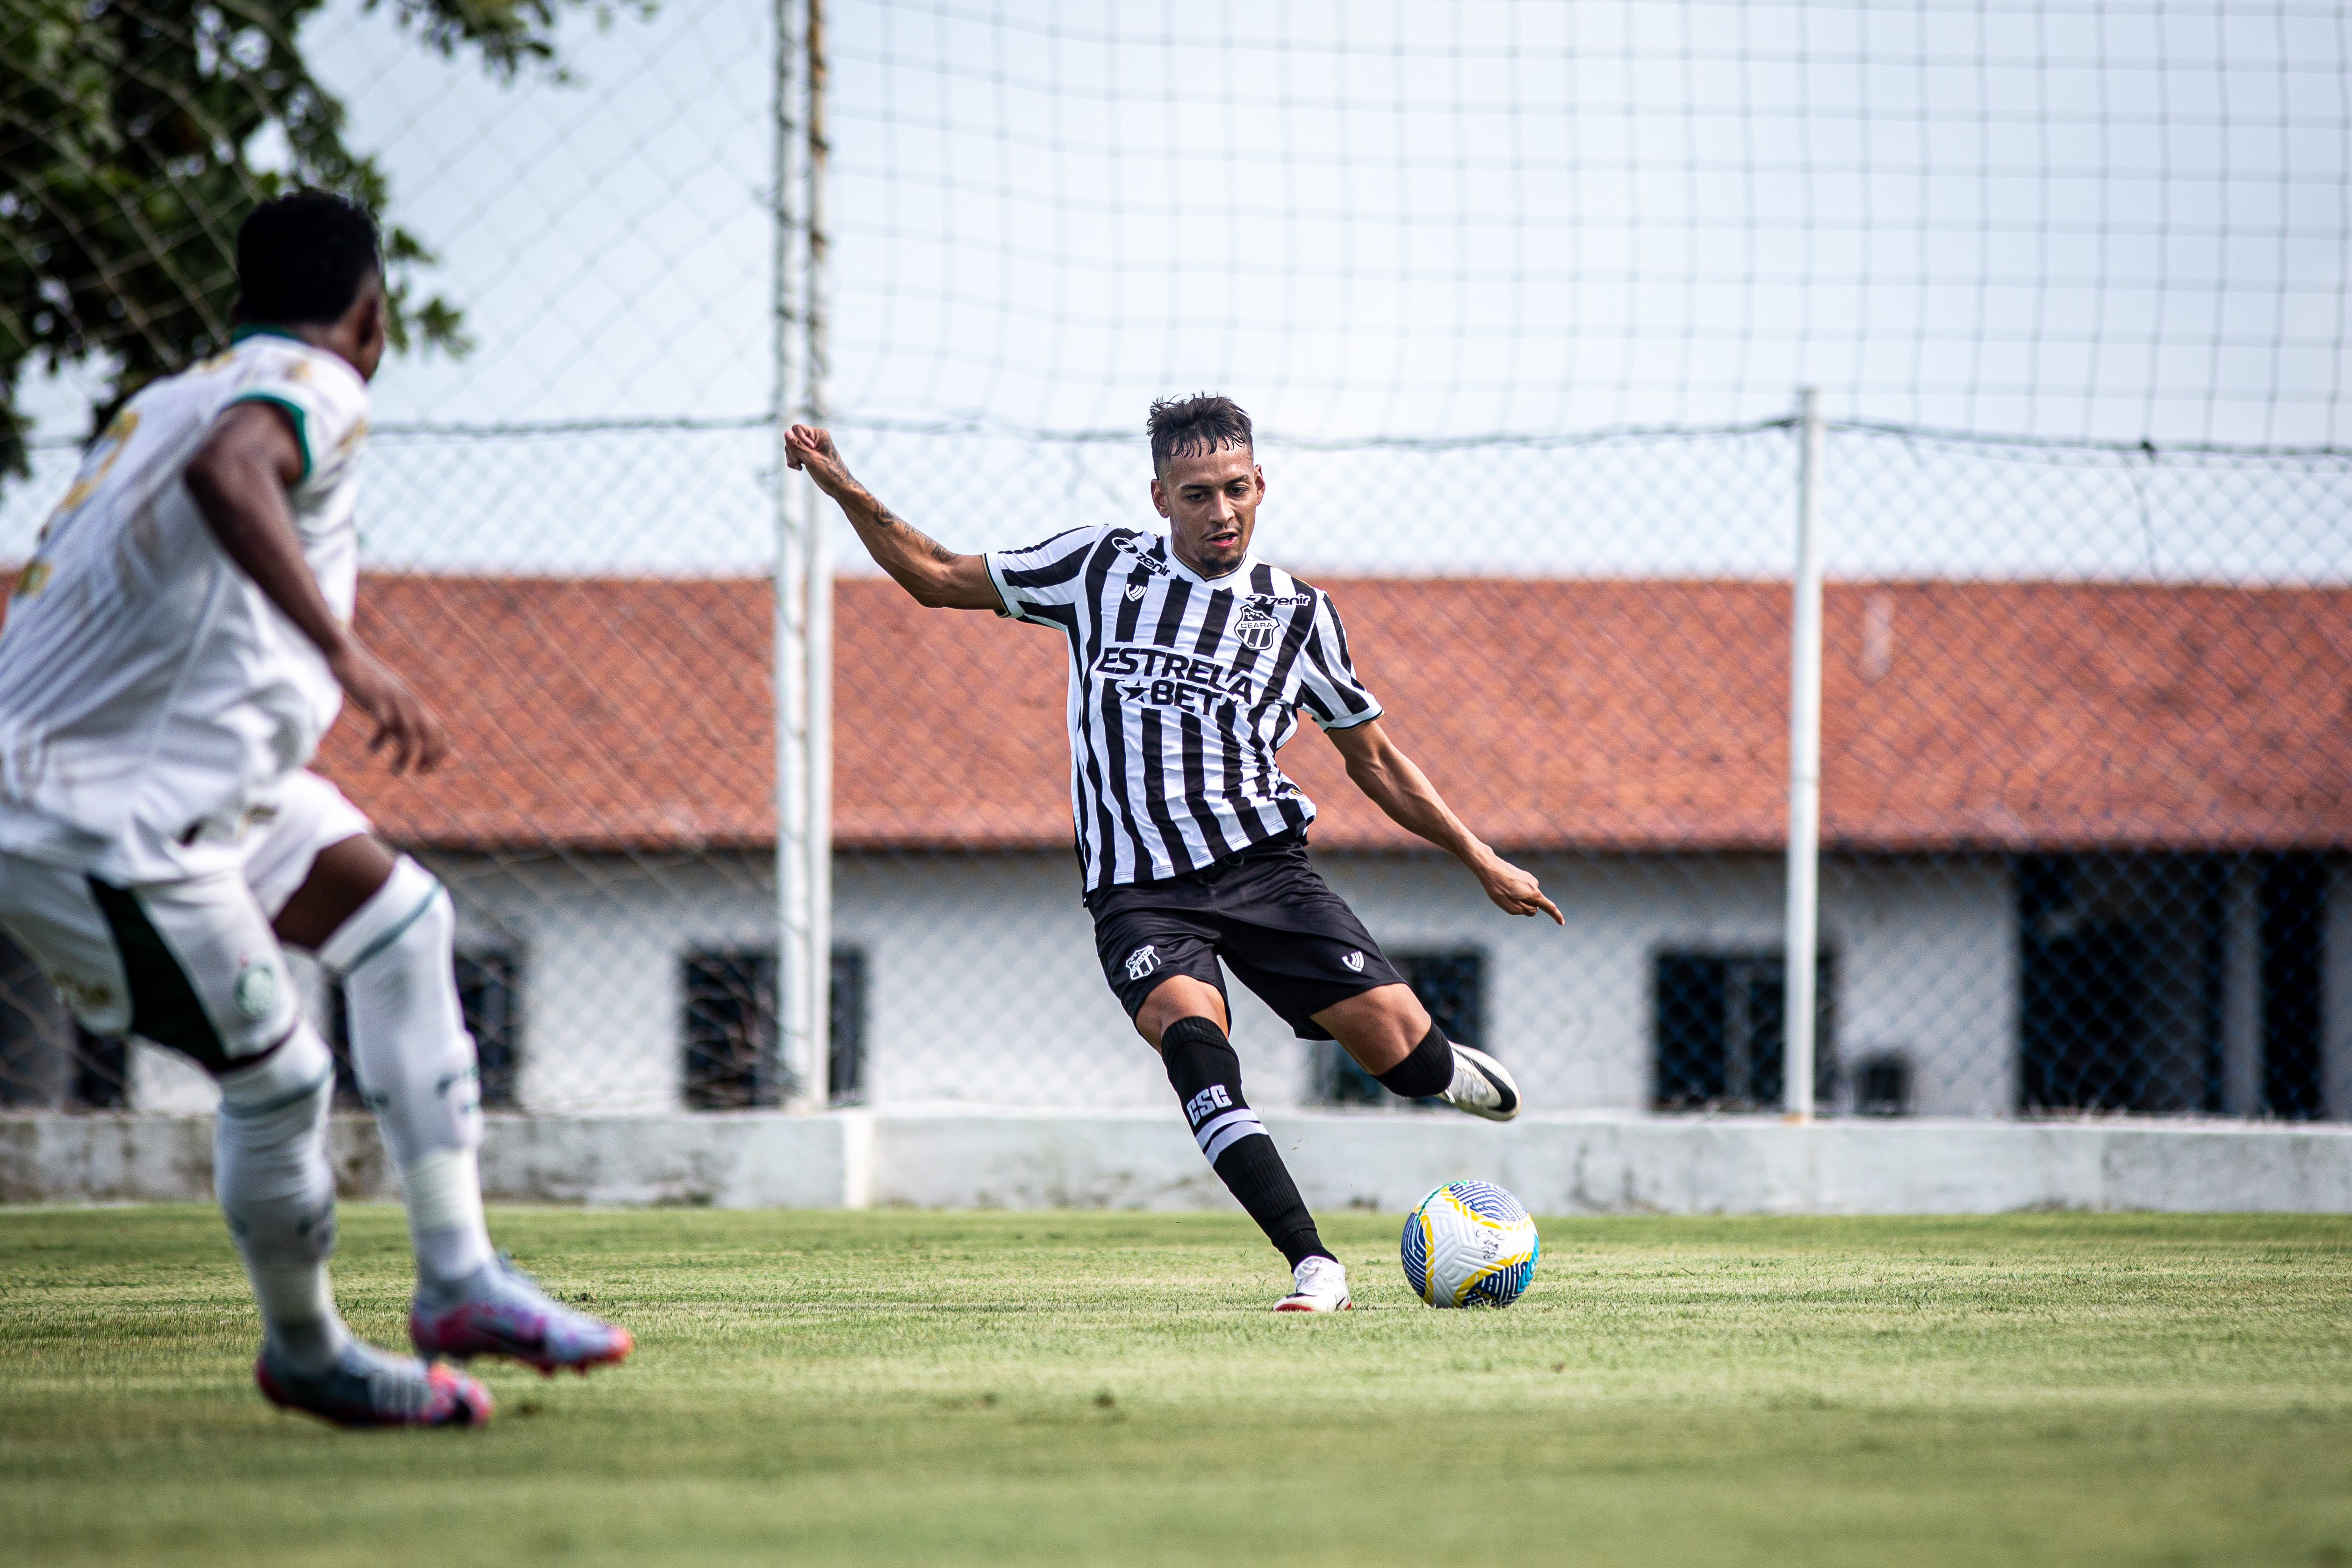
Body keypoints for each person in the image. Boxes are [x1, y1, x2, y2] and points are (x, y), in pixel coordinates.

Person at [0, 191, 631, 1426]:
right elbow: (234, 471)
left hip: (180, 782)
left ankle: (459, 1279)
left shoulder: (167, 396)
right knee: (280, 1077)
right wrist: (348, 656)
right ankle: (307, 1352)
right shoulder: (316, 384)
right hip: (96, 822)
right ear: (371, 317)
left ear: (240, 304)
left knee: (400, 920)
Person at [784, 394, 1564, 1312]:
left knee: (1401, 1058)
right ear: (1160, 497)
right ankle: (1313, 1264)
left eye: (1235, 489)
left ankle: (1444, 1068)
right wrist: (841, 484)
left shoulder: (1297, 615)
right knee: (1192, 1038)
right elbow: (934, 575)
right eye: (1196, 494)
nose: (1220, 511)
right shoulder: (1098, 568)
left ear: (1260, 484)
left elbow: (1376, 760)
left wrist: (1480, 857)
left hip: (1265, 869)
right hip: (1139, 891)